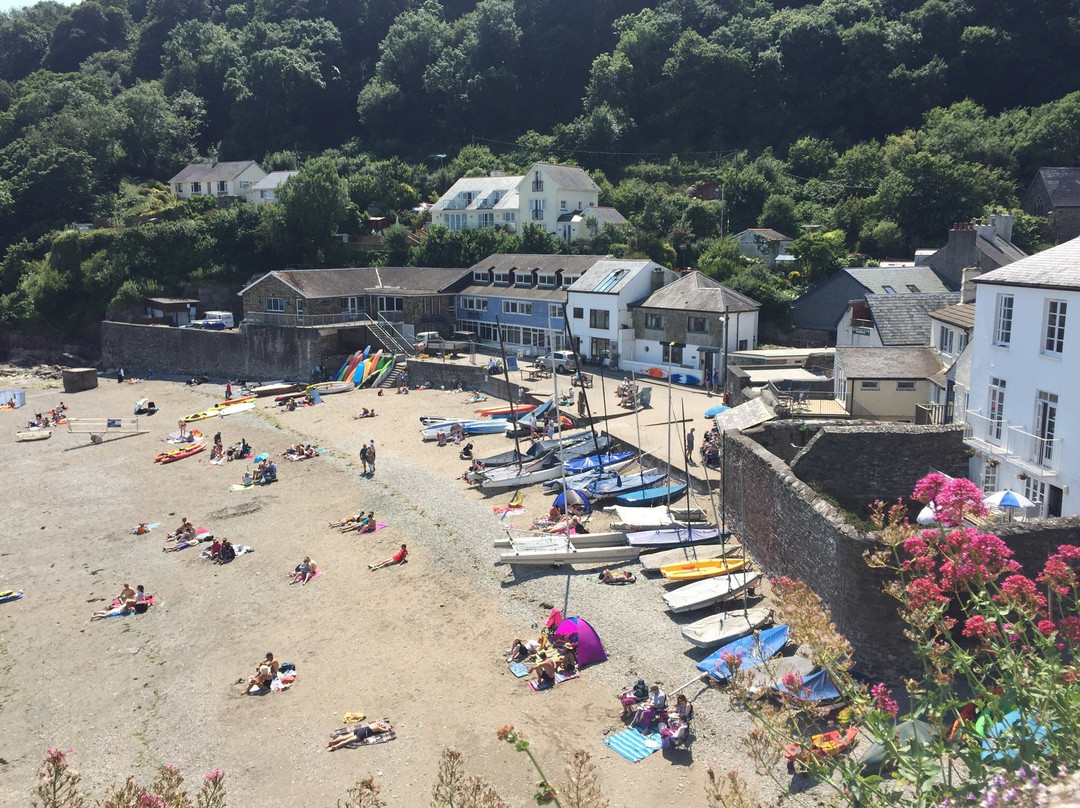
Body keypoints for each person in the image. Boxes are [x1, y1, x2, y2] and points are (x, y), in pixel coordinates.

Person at [326, 720, 393, 751]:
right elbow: (386, 730)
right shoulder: (378, 728)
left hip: (359, 729)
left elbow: (382, 723)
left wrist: (385, 724)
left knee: (343, 737)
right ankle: (334, 747)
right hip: (362, 734)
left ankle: (332, 742)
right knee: (346, 741)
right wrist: (388, 727)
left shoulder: (376, 723)